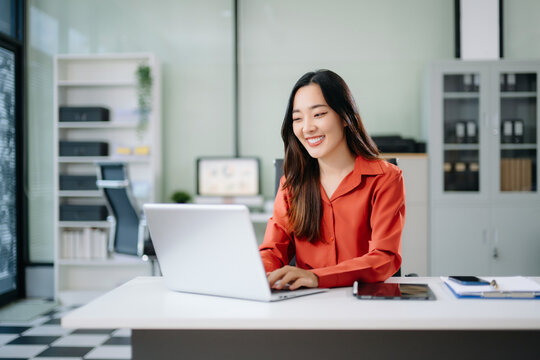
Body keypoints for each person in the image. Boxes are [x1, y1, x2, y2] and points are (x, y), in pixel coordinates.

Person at [259, 69, 405, 290]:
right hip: (306, 305)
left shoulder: (385, 179)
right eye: (297, 118)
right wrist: (259, 275)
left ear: (345, 117)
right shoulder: (292, 184)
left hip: (363, 305)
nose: (307, 128)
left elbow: (385, 257)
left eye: (319, 114)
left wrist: (318, 277)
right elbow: (273, 250)